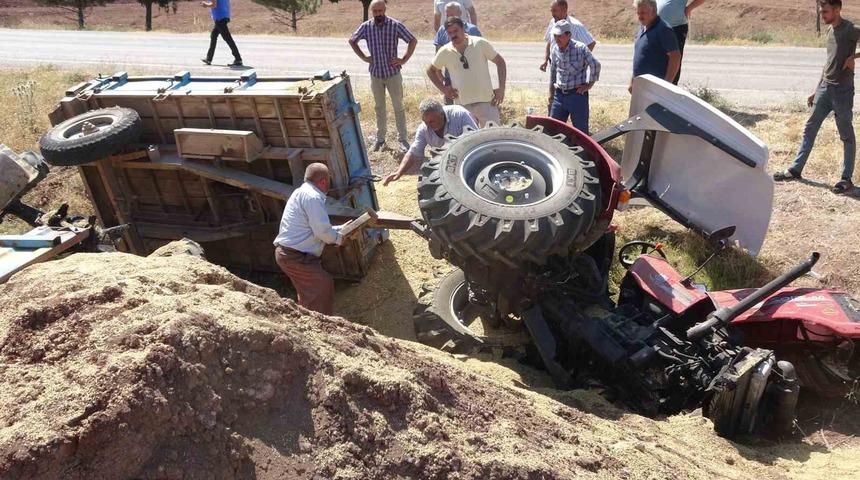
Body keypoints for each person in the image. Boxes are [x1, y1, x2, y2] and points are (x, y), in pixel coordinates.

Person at [774, 0, 859, 194]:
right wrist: (816, 89)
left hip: (842, 91)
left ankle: (846, 180)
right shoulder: (830, 31)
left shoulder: (851, 29)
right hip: (825, 88)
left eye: (826, 12)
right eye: (821, 11)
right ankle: (796, 169)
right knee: (810, 127)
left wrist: (853, 58)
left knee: (846, 135)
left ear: (837, 10)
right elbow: (828, 62)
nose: (823, 15)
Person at [273, 163, 343, 315]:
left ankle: (306, 323)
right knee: (322, 285)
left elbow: (314, 229)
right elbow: (322, 231)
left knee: (309, 292)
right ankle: (321, 326)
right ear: (324, 181)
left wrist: (339, 231)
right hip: (294, 256)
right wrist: (339, 238)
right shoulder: (313, 197)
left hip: (291, 254)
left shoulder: (301, 192)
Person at [349, 0, 418, 153]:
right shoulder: (366, 27)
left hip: (393, 74)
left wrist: (403, 59)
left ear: (385, 10)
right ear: (372, 11)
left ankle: (403, 139)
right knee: (379, 107)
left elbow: (412, 40)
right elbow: (352, 40)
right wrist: (364, 57)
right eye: (375, 11)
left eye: (381, 10)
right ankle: (380, 139)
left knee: (398, 107)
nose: (378, 13)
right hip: (376, 74)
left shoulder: (395, 25)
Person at [428, 17, 507, 127]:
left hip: (486, 102)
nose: (453, 35)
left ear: (463, 29)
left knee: (493, 139)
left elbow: (500, 62)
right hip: (462, 106)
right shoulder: (445, 51)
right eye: (449, 32)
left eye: (456, 31)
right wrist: (444, 89)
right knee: (467, 141)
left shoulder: (480, 43)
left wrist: (501, 89)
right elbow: (431, 71)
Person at [383, 97, 477, 185]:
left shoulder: (460, 115)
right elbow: (413, 153)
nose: (429, 125)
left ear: (441, 114)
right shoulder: (423, 129)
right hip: (446, 165)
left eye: (432, 121)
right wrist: (399, 173)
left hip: (470, 158)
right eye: (425, 122)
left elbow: (476, 140)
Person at [540, 0, 596, 113]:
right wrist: (545, 59)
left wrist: (580, 61)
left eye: (555, 11)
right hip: (555, 66)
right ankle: (553, 126)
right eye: (551, 11)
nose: (552, 13)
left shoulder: (575, 26)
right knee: (552, 98)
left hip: (571, 72)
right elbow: (550, 42)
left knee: (572, 102)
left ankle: (572, 127)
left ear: (564, 10)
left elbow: (591, 43)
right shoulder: (553, 22)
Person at [549, 20, 600, 134]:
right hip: (559, 96)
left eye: (560, 36)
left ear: (568, 35)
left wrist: (589, 85)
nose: (557, 39)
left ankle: (581, 152)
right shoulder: (555, 49)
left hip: (577, 96)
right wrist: (552, 93)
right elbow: (553, 71)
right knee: (552, 130)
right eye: (555, 36)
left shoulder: (580, 48)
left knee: (580, 133)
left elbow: (595, 65)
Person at [434, 2, 483, 104]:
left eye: (453, 15)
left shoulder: (472, 30)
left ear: (460, 13)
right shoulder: (442, 31)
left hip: (472, 79)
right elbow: (437, 58)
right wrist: (443, 80)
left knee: (474, 112)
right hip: (451, 80)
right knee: (451, 111)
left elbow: (482, 55)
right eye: (447, 15)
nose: (450, 18)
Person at [630, 0, 680, 93]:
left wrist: (666, 84)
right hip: (641, 86)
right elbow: (639, 58)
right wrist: (633, 80)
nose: (640, 16)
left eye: (643, 13)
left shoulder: (664, 29)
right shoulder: (642, 28)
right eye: (638, 13)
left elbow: (675, 57)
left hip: (655, 88)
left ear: (653, 11)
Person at [656, 0, 706, 84]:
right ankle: (653, 91)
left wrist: (689, 8)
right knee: (653, 59)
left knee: (673, 60)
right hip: (655, 26)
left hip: (676, 27)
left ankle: (670, 90)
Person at [201, 0, 243, 67]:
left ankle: (238, 59)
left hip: (219, 18)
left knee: (228, 39)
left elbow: (214, 5)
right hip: (224, 16)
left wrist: (205, 4)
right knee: (213, 35)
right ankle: (209, 58)